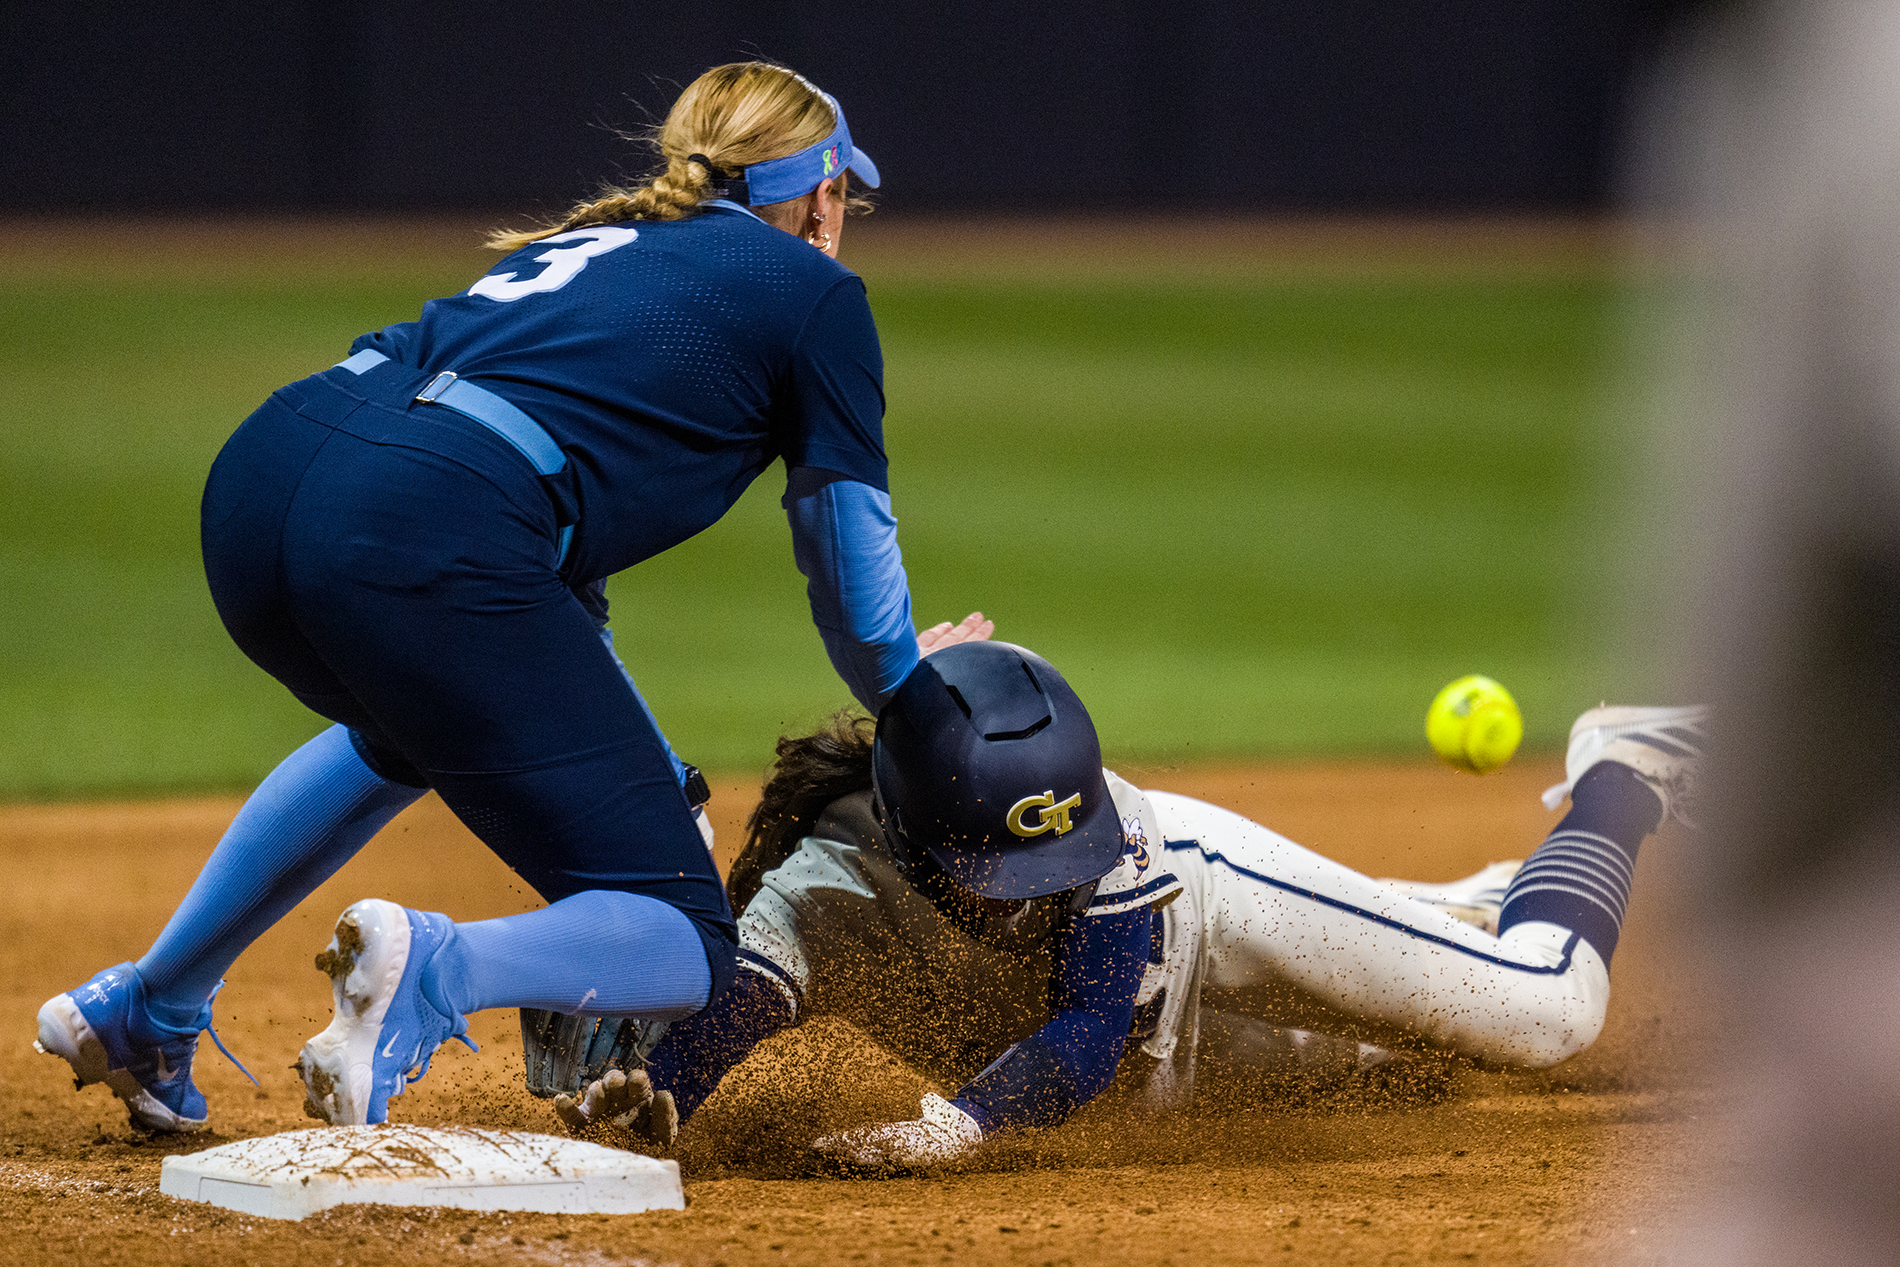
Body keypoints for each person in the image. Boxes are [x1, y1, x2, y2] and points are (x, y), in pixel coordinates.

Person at [33, 60, 991, 1133]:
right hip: (423, 516)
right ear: (821, 199)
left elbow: (558, 608)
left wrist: (655, 775)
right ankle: (431, 967)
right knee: (684, 936)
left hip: (267, 476)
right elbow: (848, 569)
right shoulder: (814, 294)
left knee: (410, 727)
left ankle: (150, 1006)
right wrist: (908, 690)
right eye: (844, 195)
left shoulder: (607, 244)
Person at [537, 640, 1704, 1169]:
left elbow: (1090, 1029)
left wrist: (960, 1126)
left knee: (1543, 1014)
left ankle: (1619, 770)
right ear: (913, 835)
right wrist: (664, 1093)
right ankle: (1454, 908)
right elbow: (740, 1003)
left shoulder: (1121, 846)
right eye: (1000, 874)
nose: (1032, 897)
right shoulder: (824, 888)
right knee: (1404, 1066)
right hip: (1197, 1063)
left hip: (1217, 922)